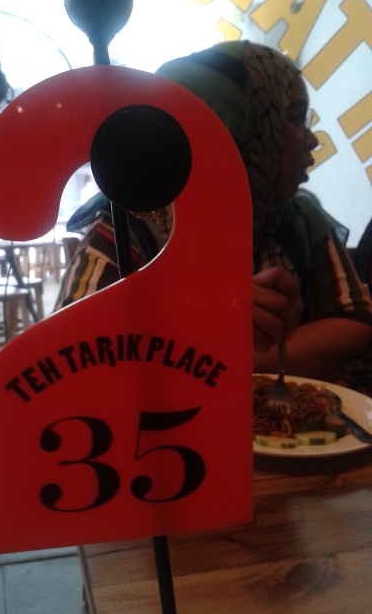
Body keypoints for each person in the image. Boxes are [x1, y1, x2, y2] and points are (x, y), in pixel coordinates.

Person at [55, 40, 372, 387]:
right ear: (233, 130)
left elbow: (358, 325)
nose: (312, 140)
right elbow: (70, 355)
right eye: (295, 117)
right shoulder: (127, 225)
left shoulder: (300, 218)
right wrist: (214, 326)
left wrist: (214, 353)